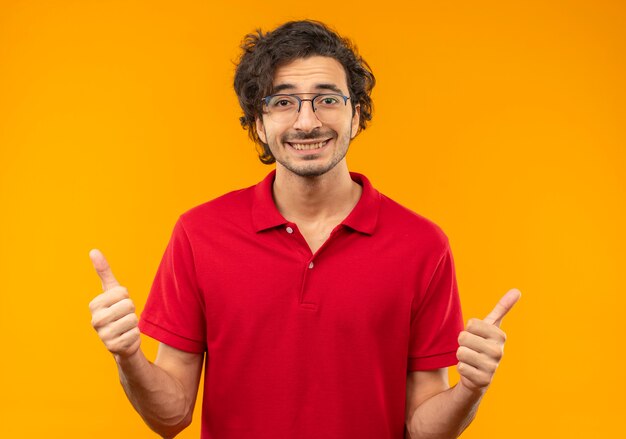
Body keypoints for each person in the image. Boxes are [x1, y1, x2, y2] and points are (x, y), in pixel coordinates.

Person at [88, 20, 520, 439]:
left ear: (356, 117)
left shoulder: (423, 245)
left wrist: (470, 390)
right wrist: (128, 357)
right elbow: (171, 416)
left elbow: (424, 430)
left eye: (328, 99)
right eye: (283, 102)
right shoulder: (199, 234)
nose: (307, 122)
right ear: (259, 124)